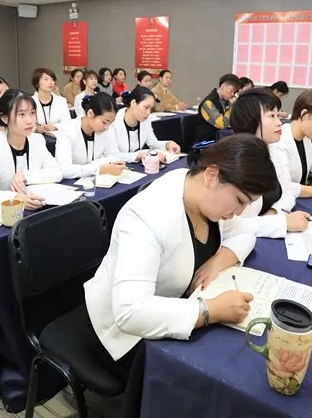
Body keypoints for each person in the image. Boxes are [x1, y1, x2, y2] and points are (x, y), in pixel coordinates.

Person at [83, 134, 278, 389]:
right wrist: (210, 310)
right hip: (123, 334)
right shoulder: (148, 216)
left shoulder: (200, 194)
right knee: (211, 382)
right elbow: (130, 313)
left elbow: (245, 233)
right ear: (211, 175)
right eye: (240, 200)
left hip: (176, 305)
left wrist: (218, 261)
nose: (239, 211)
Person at [229, 88, 312, 234]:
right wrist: (280, 223)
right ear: (251, 121)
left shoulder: (273, 150)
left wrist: (273, 213)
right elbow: (230, 225)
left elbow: (288, 191)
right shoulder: (237, 163)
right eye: (271, 116)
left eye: (278, 115)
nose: (279, 122)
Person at [0, 89, 62, 205]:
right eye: (22, 114)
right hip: (0, 207)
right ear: (4, 118)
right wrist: (15, 198)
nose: (29, 121)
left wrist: (25, 176)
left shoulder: (37, 140)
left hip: (33, 203)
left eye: (32, 113)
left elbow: (57, 172)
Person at [55, 93, 126, 179]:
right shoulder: (67, 130)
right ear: (90, 113)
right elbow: (64, 169)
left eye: (110, 123)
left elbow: (114, 156)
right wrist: (99, 168)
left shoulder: (107, 130)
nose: (107, 127)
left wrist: (93, 167)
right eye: (104, 122)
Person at [111, 86, 180, 162]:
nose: (148, 112)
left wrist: (168, 144)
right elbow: (113, 155)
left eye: (151, 109)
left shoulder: (146, 120)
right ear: (133, 103)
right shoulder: (113, 122)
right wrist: (140, 155)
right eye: (146, 107)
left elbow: (153, 143)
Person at [197, 73, 240, 143]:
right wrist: (232, 107)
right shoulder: (208, 103)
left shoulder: (226, 101)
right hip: (207, 142)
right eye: (231, 90)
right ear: (223, 86)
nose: (232, 94)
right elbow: (222, 124)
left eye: (234, 92)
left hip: (219, 139)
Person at [31, 67, 71, 134]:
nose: (50, 82)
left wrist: (55, 127)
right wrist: (35, 129)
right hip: (35, 137)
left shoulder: (61, 101)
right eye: (46, 79)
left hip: (58, 136)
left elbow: (67, 123)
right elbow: (24, 123)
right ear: (37, 83)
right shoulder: (30, 101)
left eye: (52, 79)